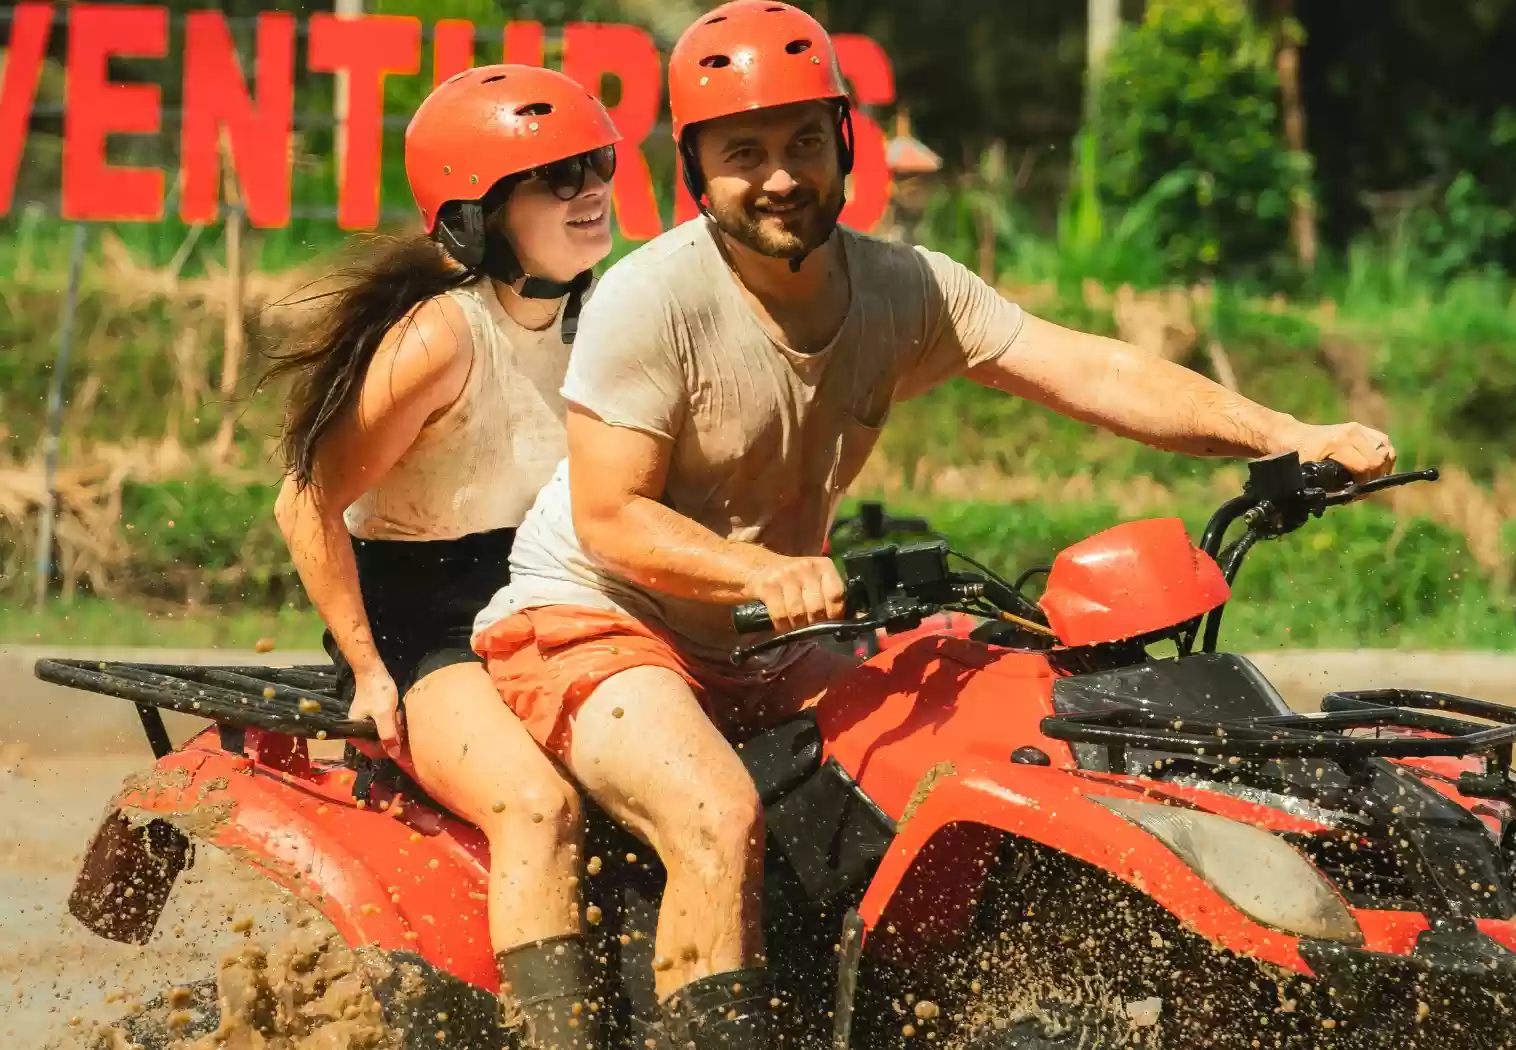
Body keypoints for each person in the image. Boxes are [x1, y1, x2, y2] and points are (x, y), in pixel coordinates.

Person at [470, 2, 1399, 1047]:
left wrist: (1284, 432)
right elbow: (610, 518)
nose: (782, 176)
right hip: (598, 622)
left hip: (767, 640)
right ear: (694, 166)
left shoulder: (901, 289)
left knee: (998, 732)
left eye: (805, 143)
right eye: (746, 152)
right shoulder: (655, 299)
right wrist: (760, 572)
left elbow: (1089, 367)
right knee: (714, 818)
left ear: (845, 144)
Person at [264, 64, 620, 1050]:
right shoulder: (441, 339)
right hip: (424, 624)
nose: (590, 190)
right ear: (477, 215)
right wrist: (369, 667)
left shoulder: (597, 319)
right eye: (557, 177)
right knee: (537, 809)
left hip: (548, 592)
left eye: (597, 164)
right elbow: (308, 499)